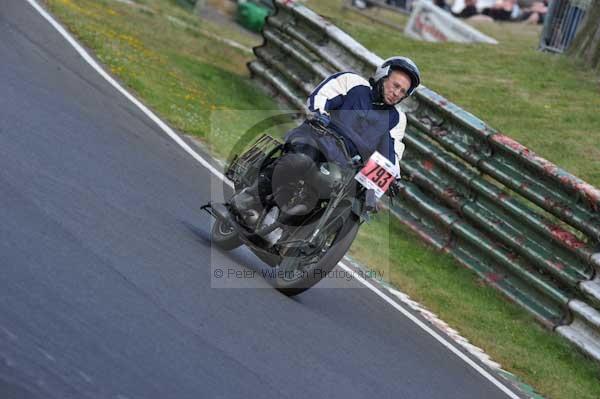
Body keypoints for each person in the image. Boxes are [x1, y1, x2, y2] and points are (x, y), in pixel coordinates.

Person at [234, 56, 421, 223]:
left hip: (348, 165)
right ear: (383, 76)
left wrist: (393, 178)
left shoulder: (397, 119)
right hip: (318, 137)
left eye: (403, 91)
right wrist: (319, 115)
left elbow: (392, 154)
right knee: (299, 161)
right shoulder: (353, 84)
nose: (397, 93)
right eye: (395, 86)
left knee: (354, 198)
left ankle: (303, 235)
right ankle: (250, 198)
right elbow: (321, 96)